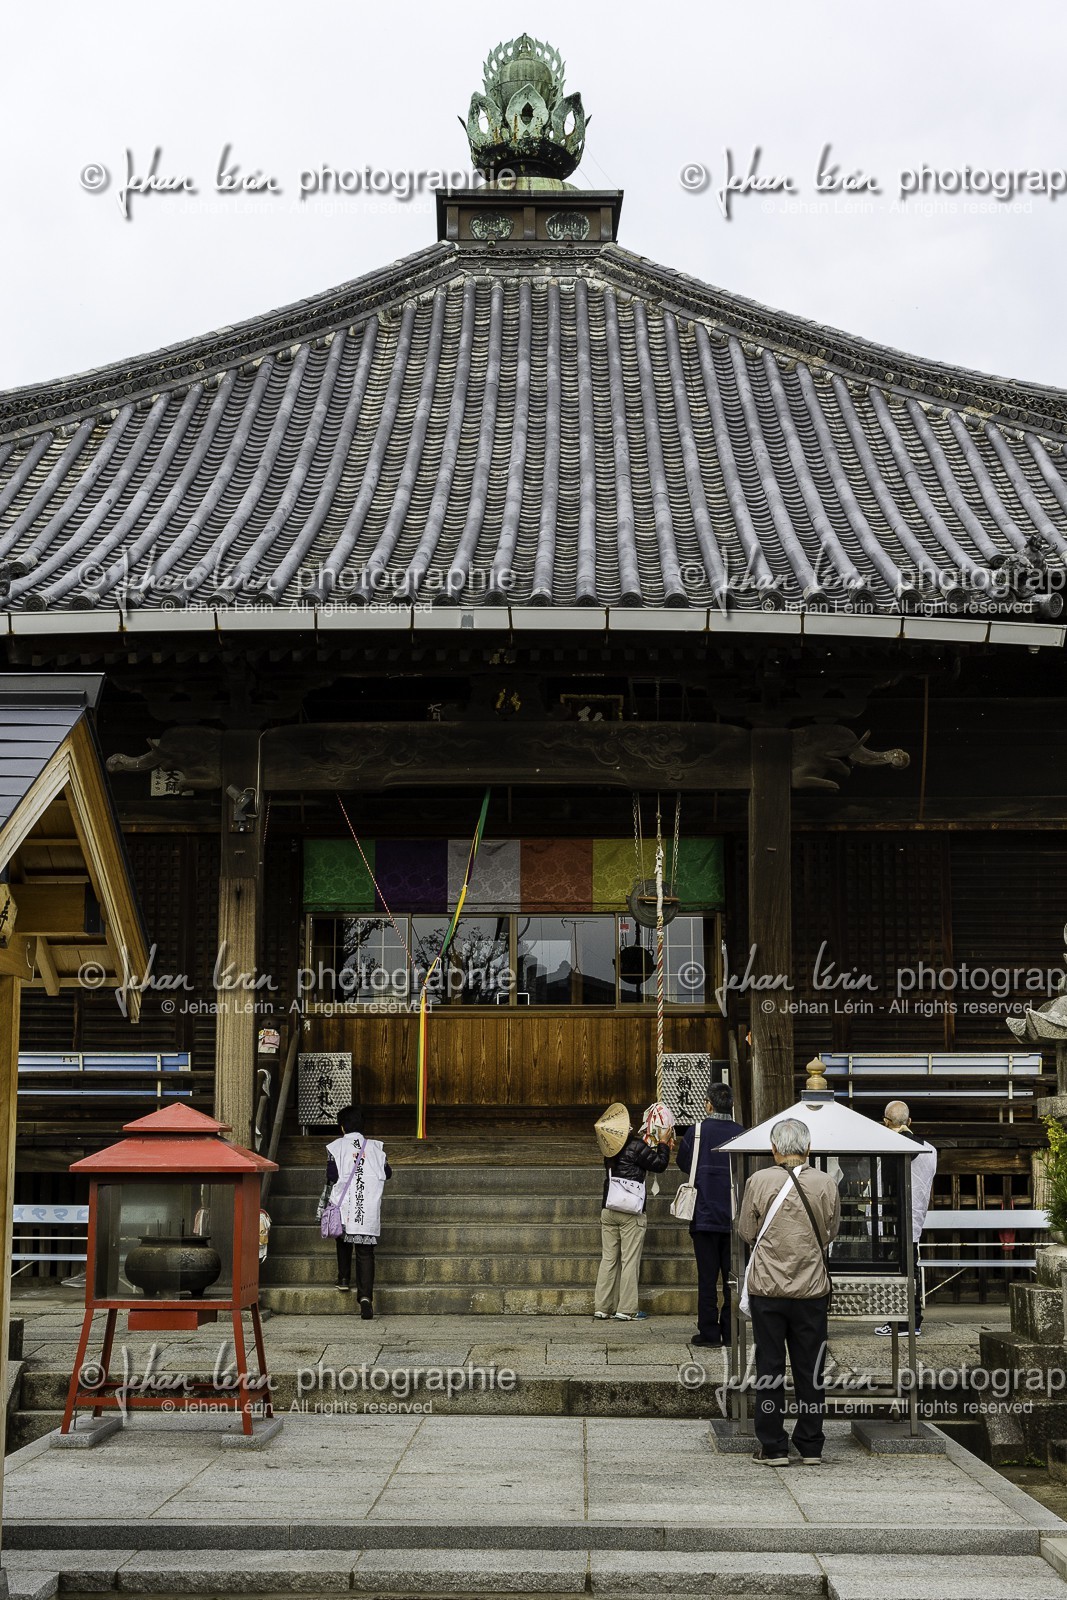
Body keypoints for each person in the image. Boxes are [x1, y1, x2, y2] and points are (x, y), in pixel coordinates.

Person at [738, 1117, 841, 1466]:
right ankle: (811, 1444)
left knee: (769, 1367)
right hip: (811, 1289)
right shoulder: (826, 1183)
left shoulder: (758, 1180)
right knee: (811, 1368)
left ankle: (773, 1446)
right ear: (808, 1149)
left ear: (774, 1149)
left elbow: (746, 1230)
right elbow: (830, 1231)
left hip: (767, 1288)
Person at [676, 1082, 744, 1346]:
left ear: (709, 1104)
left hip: (703, 1213)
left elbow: (683, 1163)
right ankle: (730, 1331)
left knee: (707, 1278)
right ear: (732, 1106)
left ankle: (708, 1332)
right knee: (732, 1278)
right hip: (733, 1216)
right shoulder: (741, 1133)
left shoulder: (697, 1131)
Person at [593, 1102, 672, 1321]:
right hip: (630, 1210)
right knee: (629, 1260)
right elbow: (660, 1164)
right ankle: (626, 1309)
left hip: (608, 1209)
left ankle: (602, 1306)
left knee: (608, 1259)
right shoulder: (635, 1147)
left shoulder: (608, 1152)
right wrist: (663, 1143)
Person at [317, 1104, 391, 1319]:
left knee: (342, 1236)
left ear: (342, 1127)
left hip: (345, 1204)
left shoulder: (336, 1147)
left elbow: (332, 1175)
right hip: (367, 1207)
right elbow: (388, 1173)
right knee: (365, 1252)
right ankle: (366, 1298)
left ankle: (343, 1278)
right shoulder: (377, 1148)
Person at [875, 1099, 938, 1338]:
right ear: (909, 1121)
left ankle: (900, 1322)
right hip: (914, 1218)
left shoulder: (886, 1147)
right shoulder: (929, 1150)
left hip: (890, 1219)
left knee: (893, 1271)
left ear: (885, 1122)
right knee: (911, 1269)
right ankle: (913, 1320)